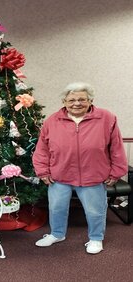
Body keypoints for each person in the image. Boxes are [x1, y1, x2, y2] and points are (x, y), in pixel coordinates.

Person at [32, 82, 128, 254]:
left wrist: (116, 172)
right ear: (64, 101)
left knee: (95, 210)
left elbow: (116, 148)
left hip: (93, 175)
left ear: (90, 100)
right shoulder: (52, 120)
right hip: (59, 174)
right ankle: (57, 234)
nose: (77, 103)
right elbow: (42, 149)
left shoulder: (107, 118)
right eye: (72, 100)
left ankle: (96, 238)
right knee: (56, 208)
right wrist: (42, 171)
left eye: (82, 99)